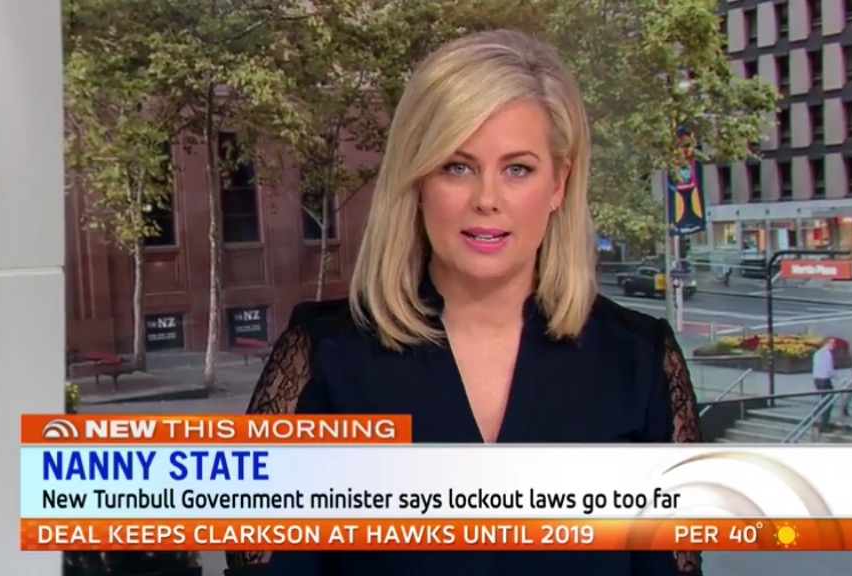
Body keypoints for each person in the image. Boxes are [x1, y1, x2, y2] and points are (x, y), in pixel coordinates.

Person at [239, 30, 702, 576]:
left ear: (559, 183)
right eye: (457, 166)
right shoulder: (323, 360)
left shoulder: (640, 364)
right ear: (417, 180)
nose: (486, 199)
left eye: (518, 169)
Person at [811, 338, 837, 433]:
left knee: (823, 400)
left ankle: (815, 417)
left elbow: (815, 366)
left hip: (817, 379)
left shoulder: (817, 353)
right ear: (826, 343)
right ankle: (823, 425)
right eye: (832, 343)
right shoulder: (827, 354)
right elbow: (829, 369)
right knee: (828, 403)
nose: (834, 345)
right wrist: (836, 376)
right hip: (825, 380)